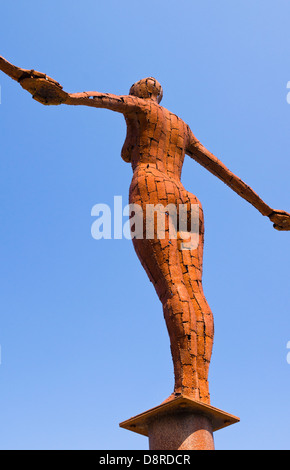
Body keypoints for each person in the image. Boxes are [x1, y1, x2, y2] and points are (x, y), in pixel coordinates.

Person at [1, 56, 289, 404]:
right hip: (187, 198)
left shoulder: (140, 108)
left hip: (151, 186)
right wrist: (266, 210)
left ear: (141, 93)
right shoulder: (181, 126)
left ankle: (186, 387)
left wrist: (66, 97)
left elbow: (106, 99)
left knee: (172, 288)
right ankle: (201, 390)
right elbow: (223, 171)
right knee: (194, 291)